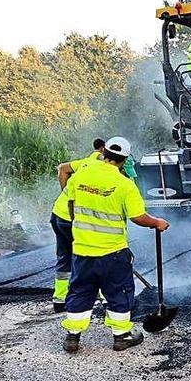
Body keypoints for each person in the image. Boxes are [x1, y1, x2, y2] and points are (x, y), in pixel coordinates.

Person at [61, 137, 170, 353]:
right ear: (125, 159)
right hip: (113, 252)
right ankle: (121, 337)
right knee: (118, 292)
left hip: (82, 250)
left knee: (80, 291)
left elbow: (71, 204)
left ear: (104, 153)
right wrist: (158, 223)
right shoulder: (124, 184)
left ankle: (73, 337)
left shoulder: (81, 174)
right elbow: (138, 217)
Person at [49, 139, 108, 312]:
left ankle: (60, 299)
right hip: (73, 219)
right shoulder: (104, 172)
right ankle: (107, 298)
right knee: (97, 257)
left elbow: (62, 168)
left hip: (59, 214)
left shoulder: (85, 163)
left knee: (65, 257)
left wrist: (66, 194)